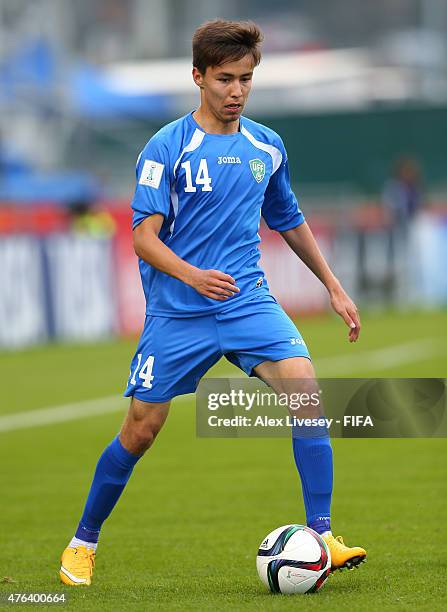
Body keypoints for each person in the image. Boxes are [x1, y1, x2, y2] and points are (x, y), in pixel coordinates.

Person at [60, 19, 366, 586]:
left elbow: (289, 219)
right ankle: (84, 540)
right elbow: (142, 237)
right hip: (179, 311)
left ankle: (321, 534)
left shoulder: (266, 146)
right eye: (225, 79)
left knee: (306, 390)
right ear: (197, 76)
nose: (236, 92)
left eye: (246, 79)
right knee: (141, 429)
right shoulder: (166, 147)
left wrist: (333, 285)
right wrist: (194, 276)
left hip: (247, 301)